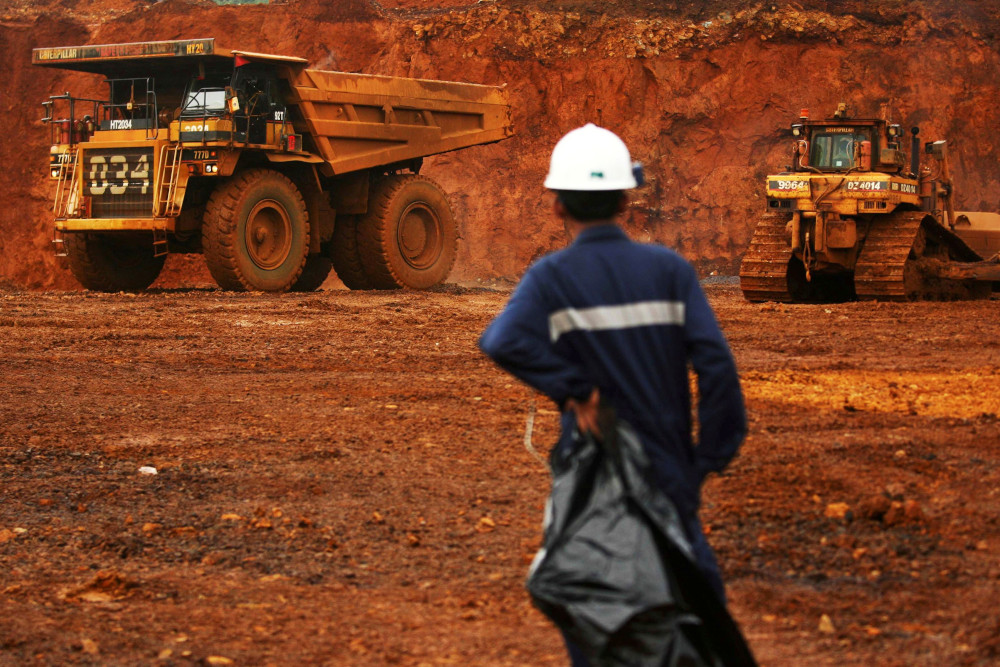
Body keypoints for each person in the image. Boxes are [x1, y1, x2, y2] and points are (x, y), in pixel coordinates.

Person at [479, 123, 747, 664]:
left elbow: (501, 339)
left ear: (557, 206)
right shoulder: (669, 271)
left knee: (598, 614)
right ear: (628, 199)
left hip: (592, 473)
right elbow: (716, 366)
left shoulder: (551, 278)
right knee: (694, 610)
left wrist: (573, 388)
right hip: (669, 468)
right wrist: (708, 458)